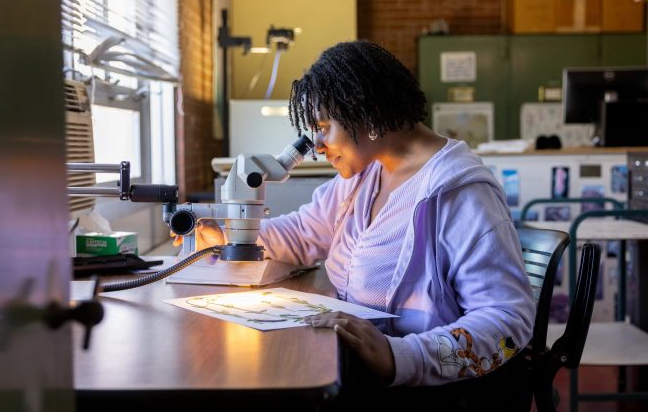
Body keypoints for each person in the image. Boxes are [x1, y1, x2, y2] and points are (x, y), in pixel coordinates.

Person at [187, 41, 535, 410]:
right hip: (353, 364)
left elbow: (508, 323)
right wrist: (223, 234)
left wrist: (397, 355)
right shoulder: (363, 177)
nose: (317, 145)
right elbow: (301, 235)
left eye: (324, 128)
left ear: (367, 113)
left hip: (426, 389)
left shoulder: (458, 192)